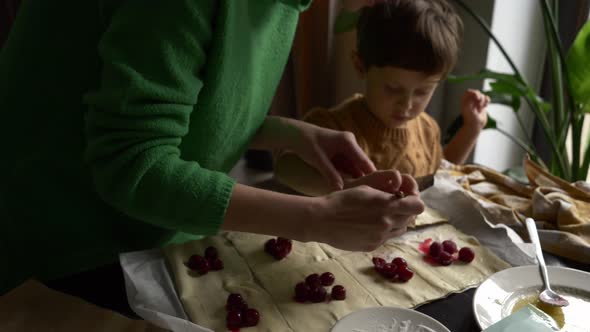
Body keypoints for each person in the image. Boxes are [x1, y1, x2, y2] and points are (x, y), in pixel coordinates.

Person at [0, 0, 424, 302]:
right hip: (61, 238)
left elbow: (188, 106)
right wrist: (318, 218)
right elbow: (132, 164)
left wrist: (292, 134)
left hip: (147, 225)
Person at [275, 0, 491, 196]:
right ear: (360, 66)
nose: (406, 105)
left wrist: (470, 130)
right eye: (393, 88)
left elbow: (439, 178)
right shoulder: (333, 127)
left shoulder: (428, 130)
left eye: (422, 92)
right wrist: (348, 186)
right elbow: (286, 167)